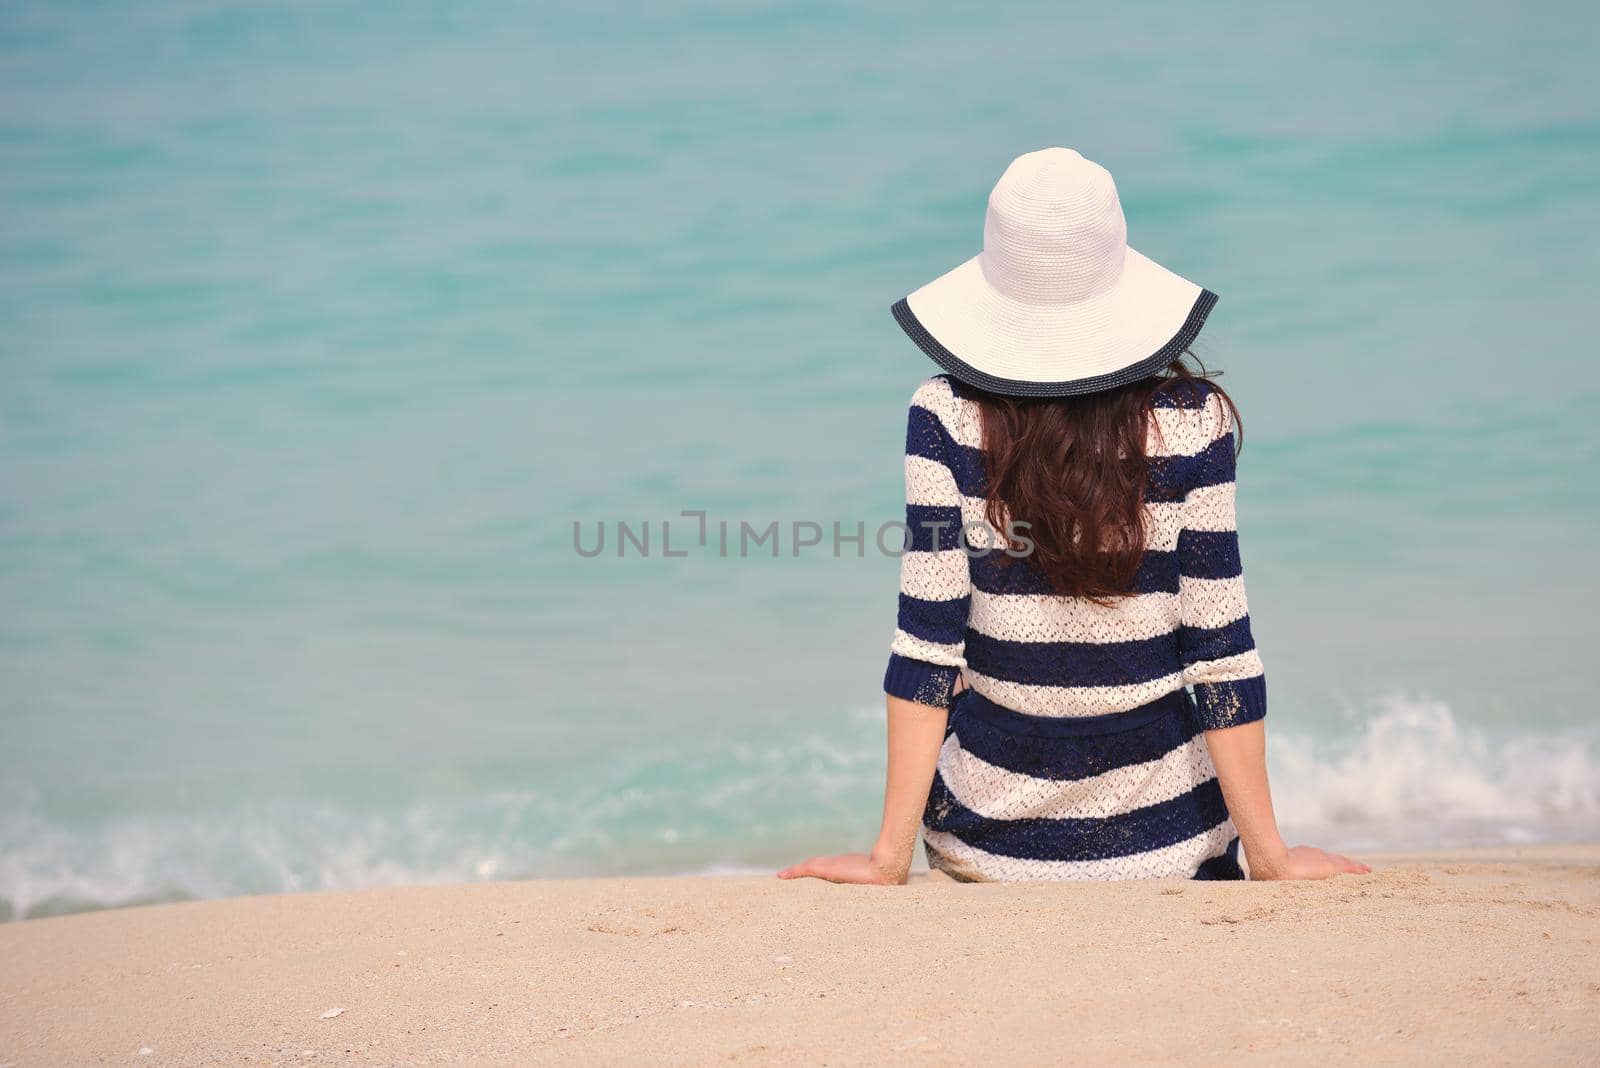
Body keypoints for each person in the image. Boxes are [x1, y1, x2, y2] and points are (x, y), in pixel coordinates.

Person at [780, 148, 1368, 884]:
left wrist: (886, 859)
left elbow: (927, 646)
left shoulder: (944, 415)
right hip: (1168, 847)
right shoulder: (1195, 422)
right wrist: (1272, 858)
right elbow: (1220, 653)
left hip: (990, 848)